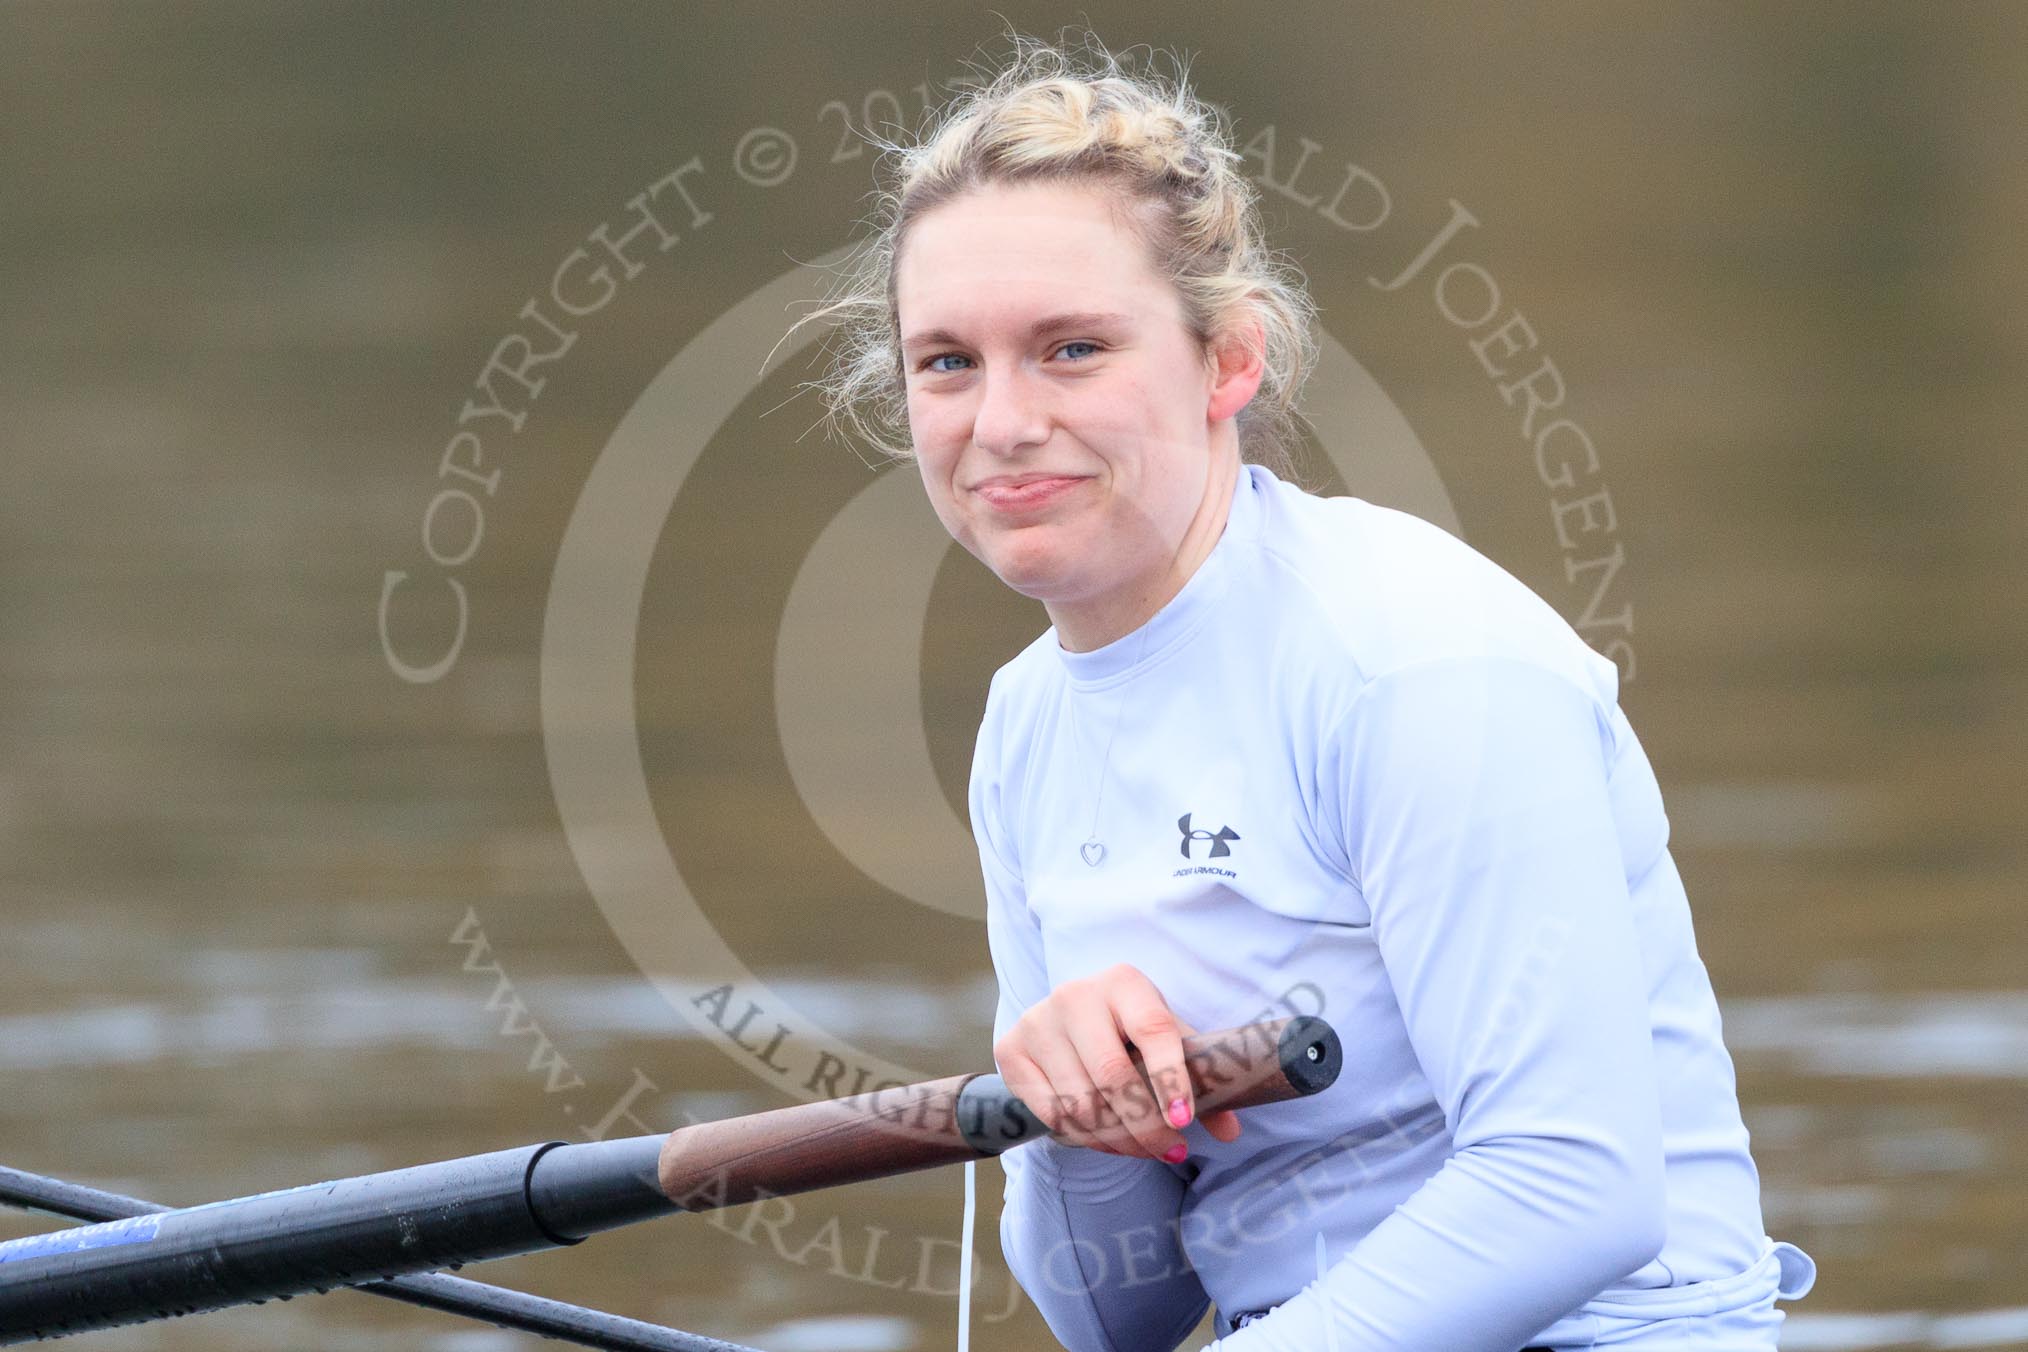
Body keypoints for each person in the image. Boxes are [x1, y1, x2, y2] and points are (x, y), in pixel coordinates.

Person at [793, 30, 1814, 1352]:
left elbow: (1576, 1190)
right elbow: (1114, 1317)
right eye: (947, 362)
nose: (999, 423)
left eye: (1072, 348)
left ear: (1230, 361)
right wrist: (1076, 1126)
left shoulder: (1416, 661)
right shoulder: (1026, 729)